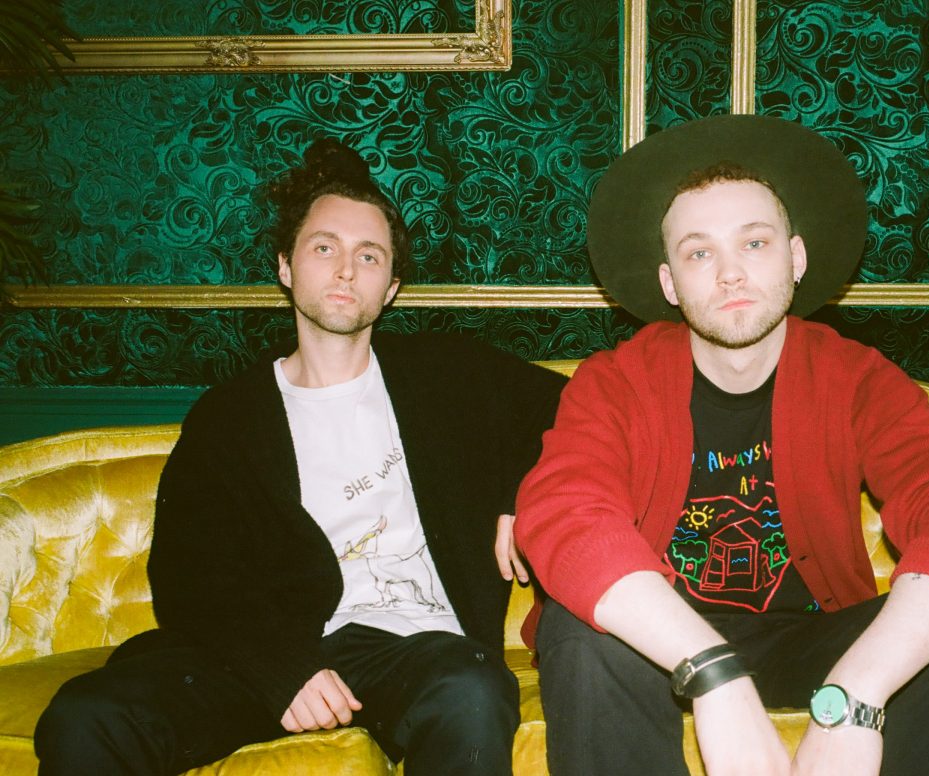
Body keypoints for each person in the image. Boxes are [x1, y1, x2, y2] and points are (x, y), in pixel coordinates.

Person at [513, 115, 929, 776]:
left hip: (814, 640)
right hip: (663, 642)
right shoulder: (615, 382)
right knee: (577, 628)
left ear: (796, 257)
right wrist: (714, 674)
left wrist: (857, 693)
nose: (730, 274)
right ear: (670, 283)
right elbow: (565, 514)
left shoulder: (855, 377)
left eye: (754, 243)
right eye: (700, 253)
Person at [34, 139, 565, 776]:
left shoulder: (448, 375)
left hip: (418, 652)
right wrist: (283, 669)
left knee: (473, 689)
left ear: (391, 287)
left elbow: (574, 405)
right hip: (270, 652)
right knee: (85, 716)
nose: (346, 271)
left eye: (368, 256)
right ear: (286, 267)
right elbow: (188, 575)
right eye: (325, 248)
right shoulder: (229, 418)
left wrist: (523, 491)